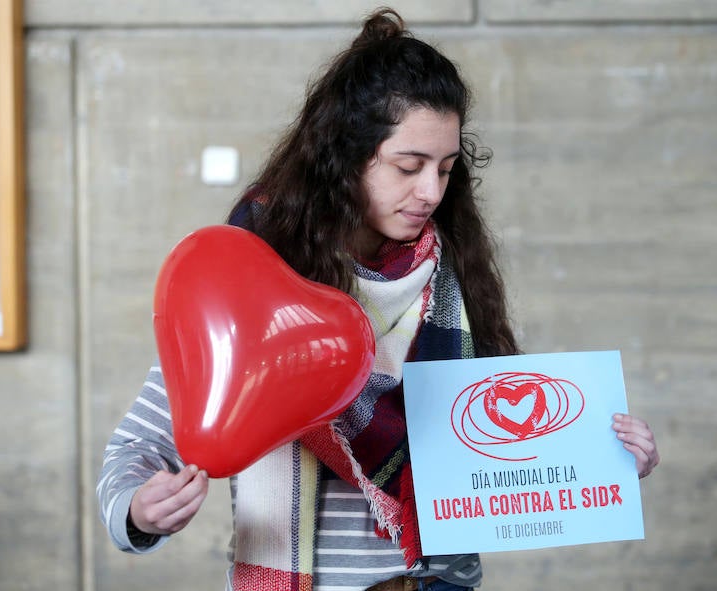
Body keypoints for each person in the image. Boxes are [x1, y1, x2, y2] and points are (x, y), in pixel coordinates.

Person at [97, 8, 660, 591]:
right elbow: (141, 443)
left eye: (446, 169)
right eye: (408, 166)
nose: (431, 192)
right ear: (345, 156)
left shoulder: (453, 281)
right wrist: (140, 512)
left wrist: (609, 458)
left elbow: (511, 441)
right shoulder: (251, 283)